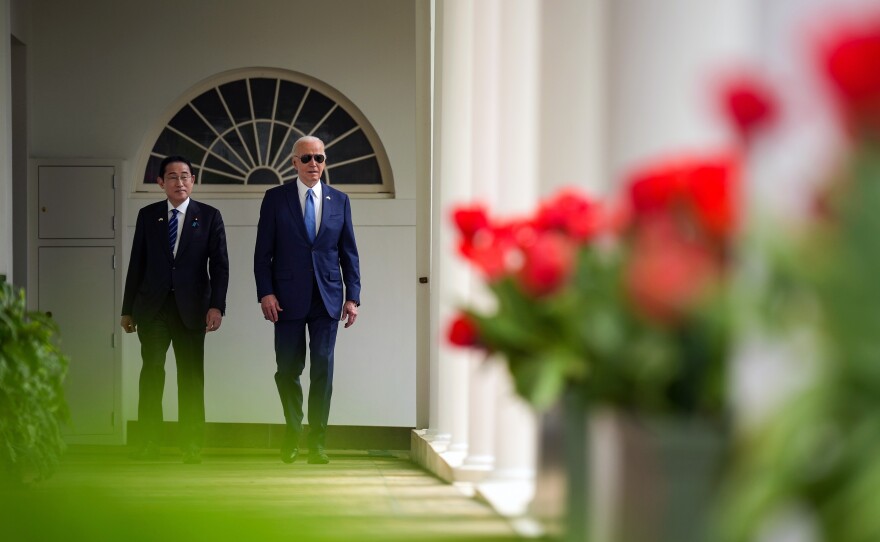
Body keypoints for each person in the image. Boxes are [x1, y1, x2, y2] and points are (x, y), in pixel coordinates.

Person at [254, 135, 361, 465]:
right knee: (287, 369)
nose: (314, 164)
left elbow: (348, 252)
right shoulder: (275, 198)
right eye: (307, 159)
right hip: (285, 298)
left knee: (323, 369)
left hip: (327, 297)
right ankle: (292, 432)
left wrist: (352, 297)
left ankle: (317, 441)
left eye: (320, 158)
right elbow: (263, 253)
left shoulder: (339, 200)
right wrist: (266, 292)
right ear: (293, 162)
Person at [121, 155, 229, 464]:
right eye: (172, 176)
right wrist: (127, 309)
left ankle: (192, 445)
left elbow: (220, 267)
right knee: (152, 373)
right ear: (160, 182)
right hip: (152, 309)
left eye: (185, 176)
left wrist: (216, 306)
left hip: (193, 309)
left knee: (191, 378)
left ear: (193, 180)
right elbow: (136, 264)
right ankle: (148, 443)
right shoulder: (148, 216)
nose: (179, 182)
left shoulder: (209, 217)